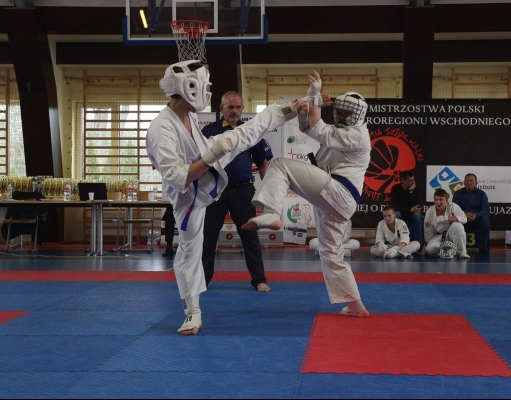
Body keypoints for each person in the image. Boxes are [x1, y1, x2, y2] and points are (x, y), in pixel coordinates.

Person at [146, 59, 309, 335]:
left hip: (217, 180)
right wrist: (213, 154)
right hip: (189, 196)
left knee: (244, 133)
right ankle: (192, 312)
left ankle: (292, 108)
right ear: (189, 87)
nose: (207, 92)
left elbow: (243, 141)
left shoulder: (188, 115)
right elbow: (178, 178)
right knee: (191, 249)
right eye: (204, 86)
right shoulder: (161, 131)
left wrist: (216, 151)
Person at [242, 70, 371, 318]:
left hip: (338, 191)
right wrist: (303, 112)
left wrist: (313, 96)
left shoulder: (358, 135)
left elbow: (318, 127)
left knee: (279, 164)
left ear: (359, 115)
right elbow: (309, 127)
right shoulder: (343, 131)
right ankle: (355, 305)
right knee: (330, 253)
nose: (343, 115)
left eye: (348, 113)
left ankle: (272, 213)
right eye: (342, 111)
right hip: (337, 199)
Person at [201, 91, 273, 292]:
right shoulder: (208, 132)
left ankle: (259, 279)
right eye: (230, 107)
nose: (234, 111)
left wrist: (269, 191)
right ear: (221, 108)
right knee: (208, 237)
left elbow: (263, 163)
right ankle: (202, 280)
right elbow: (198, 161)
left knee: (250, 235)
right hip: (214, 190)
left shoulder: (250, 131)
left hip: (242, 190)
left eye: (238, 107)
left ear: (242, 109)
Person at [423, 188, 469, 259]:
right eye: (436, 199)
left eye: (441, 199)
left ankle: (462, 252)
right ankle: (448, 251)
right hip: (439, 237)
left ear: (446, 200)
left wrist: (446, 218)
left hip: (452, 235)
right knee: (429, 249)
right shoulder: (430, 211)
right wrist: (427, 244)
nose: (438, 202)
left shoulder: (453, 206)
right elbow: (428, 230)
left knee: (457, 225)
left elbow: (464, 219)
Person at [451, 173, 491, 254]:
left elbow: (485, 210)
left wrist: (475, 215)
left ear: (476, 183)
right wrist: (464, 214)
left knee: (485, 219)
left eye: (471, 181)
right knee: (453, 220)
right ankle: (456, 247)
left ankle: (483, 247)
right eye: (467, 181)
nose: (469, 183)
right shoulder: (457, 194)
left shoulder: (482, 194)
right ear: (464, 182)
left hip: (476, 220)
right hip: (462, 219)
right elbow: (454, 210)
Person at [390, 171, 425, 244]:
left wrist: (411, 191)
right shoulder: (395, 189)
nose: (413, 182)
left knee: (417, 215)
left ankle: (419, 242)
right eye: (410, 180)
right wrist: (410, 210)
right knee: (396, 214)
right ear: (403, 180)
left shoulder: (415, 189)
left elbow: (418, 205)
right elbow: (394, 206)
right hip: (401, 212)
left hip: (411, 214)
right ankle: (399, 241)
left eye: (413, 180)